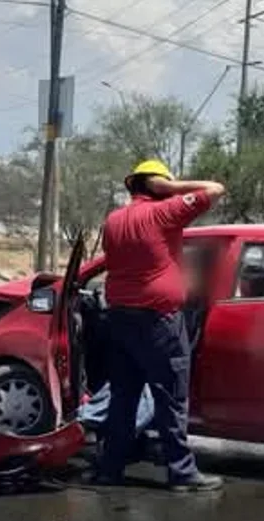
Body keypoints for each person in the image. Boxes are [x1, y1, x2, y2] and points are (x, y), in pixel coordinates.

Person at [94, 159, 226, 493]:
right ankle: (181, 473)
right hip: (158, 320)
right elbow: (214, 190)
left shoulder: (113, 220)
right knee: (170, 399)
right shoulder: (163, 212)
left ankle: (110, 469)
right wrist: (171, 188)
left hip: (120, 319)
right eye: (164, 185)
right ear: (157, 186)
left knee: (123, 398)